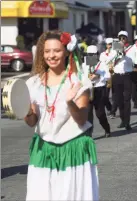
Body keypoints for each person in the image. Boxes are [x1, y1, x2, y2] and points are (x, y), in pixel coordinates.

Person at [24, 30, 99, 200]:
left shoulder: (78, 81)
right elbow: (32, 121)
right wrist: (24, 111)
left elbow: (81, 119)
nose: (51, 55)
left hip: (73, 149)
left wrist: (70, 102)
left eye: (57, 51)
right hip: (43, 150)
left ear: (66, 52)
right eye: (47, 51)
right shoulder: (33, 83)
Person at [82, 45, 111, 138]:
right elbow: (81, 77)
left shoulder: (102, 64)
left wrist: (98, 75)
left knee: (100, 113)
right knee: (88, 113)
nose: (91, 56)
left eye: (93, 54)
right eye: (89, 54)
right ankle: (89, 133)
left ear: (97, 55)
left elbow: (108, 76)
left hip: (99, 89)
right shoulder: (84, 65)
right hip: (89, 89)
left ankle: (107, 128)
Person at [111, 30, 136, 130]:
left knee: (127, 100)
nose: (122, 39)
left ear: (127, 39)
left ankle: (127, 122)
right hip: (117, 76)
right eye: (120, 37)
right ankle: (122, 119)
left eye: (124, 37)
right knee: (118, 99)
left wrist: (124, 53)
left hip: (127, 76)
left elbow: (133, 62)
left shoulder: (132, 49)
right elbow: (111, 62)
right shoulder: (114, 48)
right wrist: (118, 54)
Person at [99, 38, 117, 117]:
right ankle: (110, 108)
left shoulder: (116, 53)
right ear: (106, 45)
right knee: (105, 96)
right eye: (108, 44)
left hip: (115, 75)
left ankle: (113, 111)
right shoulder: (102, 54)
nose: (110, 46)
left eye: (111, 44)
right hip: (106, 76)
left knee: (115, 96)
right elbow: (101, 65)